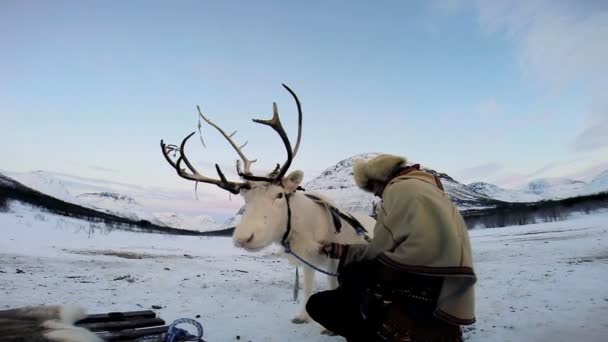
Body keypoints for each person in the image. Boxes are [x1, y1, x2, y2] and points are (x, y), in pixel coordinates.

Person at [306, 154, 476, 342]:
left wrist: (344, 252)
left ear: (379, 179)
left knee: (326, 298)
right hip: (449, 281)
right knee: (356, 273)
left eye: (374, 189)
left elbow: (379, 247)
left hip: (416, 277)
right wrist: (345, 251)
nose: (376, 195)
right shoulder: (429, 188)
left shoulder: (397, 189)